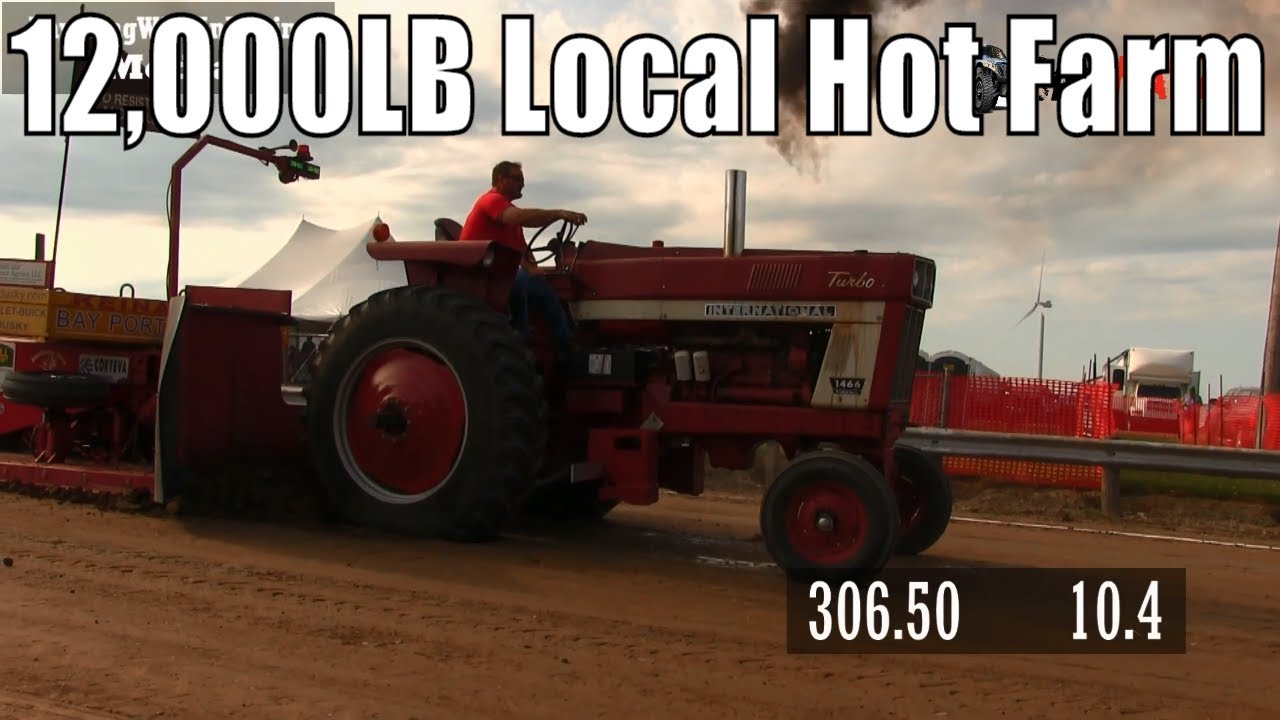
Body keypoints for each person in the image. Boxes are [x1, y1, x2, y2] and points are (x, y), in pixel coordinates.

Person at [458, 160, 586, 370]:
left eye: (523, 180)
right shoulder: (491, 201)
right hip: (478, 276)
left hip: (498, 276)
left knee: (541, 286)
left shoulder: (512, 225)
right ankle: (521, 343)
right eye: (517, 179)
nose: (522, 185)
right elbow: (518, 217)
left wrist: (547, 275)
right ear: (500, 179)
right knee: (520, 282)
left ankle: (565, 346)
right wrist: (559, 213)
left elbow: (526, 258)